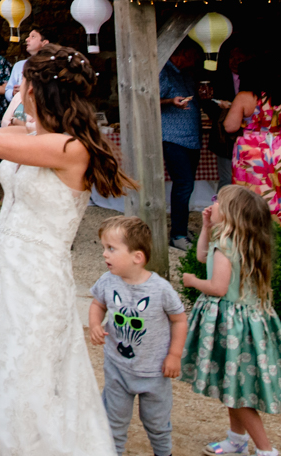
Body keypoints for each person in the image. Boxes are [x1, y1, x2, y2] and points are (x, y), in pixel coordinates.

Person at [0, 30, 133, 456]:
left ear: (37, 91)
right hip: (2, 269)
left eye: (23, 86)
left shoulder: (72, 149)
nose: (18, 91)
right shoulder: (34, 139)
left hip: (36, 279)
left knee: (25, 381)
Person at [182, 184, 281, 456]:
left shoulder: (227, 245)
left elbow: (218, 287)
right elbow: (202, 256)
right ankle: (236, 440)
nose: (211, 205)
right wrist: (205, 227)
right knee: (233, 385)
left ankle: (266, 450)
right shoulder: (238, 241)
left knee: (239, 393)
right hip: (246, 325)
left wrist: (193, 282)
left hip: (233, 327)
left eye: (218, 201)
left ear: (231, 214)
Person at [89, 216, 186, 456]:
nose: (104, 254)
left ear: (137, 257)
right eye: (104, 248)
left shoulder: (161, 289)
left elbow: (179, 319)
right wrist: (94, 324)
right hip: (117, 368)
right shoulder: (107, 281)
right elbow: (97, 303)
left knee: (157, 423)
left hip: (153, 372)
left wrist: (174, 355)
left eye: (111, 248)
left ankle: (163, 453)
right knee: (114, 421)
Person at [224, 58, 281, 218]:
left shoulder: (244, 96)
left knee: (252, 191)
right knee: (278, 189)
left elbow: (230, 126)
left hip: (252, 149)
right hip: (278, 146)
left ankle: (254, 227)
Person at [159, 42, 202, 250]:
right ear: (183, 53)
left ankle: (182, 230)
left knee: (188, 185)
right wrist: (170, 102)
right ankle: (177, 235)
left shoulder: (186, 73)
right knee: (183, 185)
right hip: (173, 137)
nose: (196, 61)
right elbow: (147, 98)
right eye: (194, 55)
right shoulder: (162, 69)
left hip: (191, 137)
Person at [205, 45, 250, 188]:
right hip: (224, 136)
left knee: (248, 177)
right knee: (226, 179)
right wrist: (222, 111)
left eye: (240, 59)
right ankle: (222, 209)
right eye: (232, 58)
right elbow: (207, 103)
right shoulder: (218, 77)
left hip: (248, 135)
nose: (235, 61)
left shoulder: (252, 78)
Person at [3, 26, 49, 102]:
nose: (27, 39)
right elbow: (8, 89)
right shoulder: (19, 65)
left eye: (33, 37)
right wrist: (13, 93)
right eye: (28, 36)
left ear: (44, 43)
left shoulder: (51, 65)